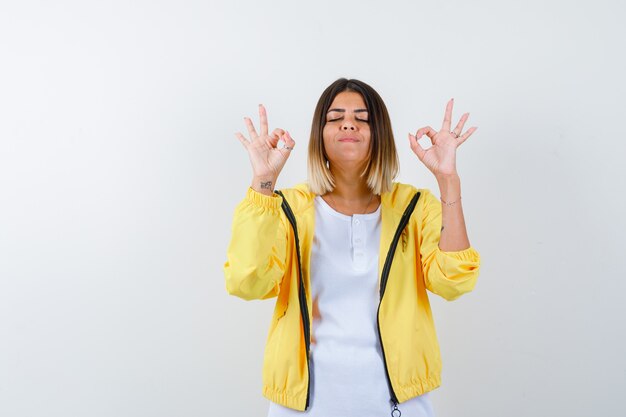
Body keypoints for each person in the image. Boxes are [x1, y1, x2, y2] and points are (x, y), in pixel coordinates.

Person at [223, 78, 481, 417]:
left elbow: (453, 282)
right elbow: (247, 282)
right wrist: (263, 182)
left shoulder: (414, 207)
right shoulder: (285, 208)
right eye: (336, 117)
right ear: (320, 134)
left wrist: (448, 179)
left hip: (397, 404)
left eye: (362, 117)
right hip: (302, 407)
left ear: (380, 135)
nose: (349, 123)